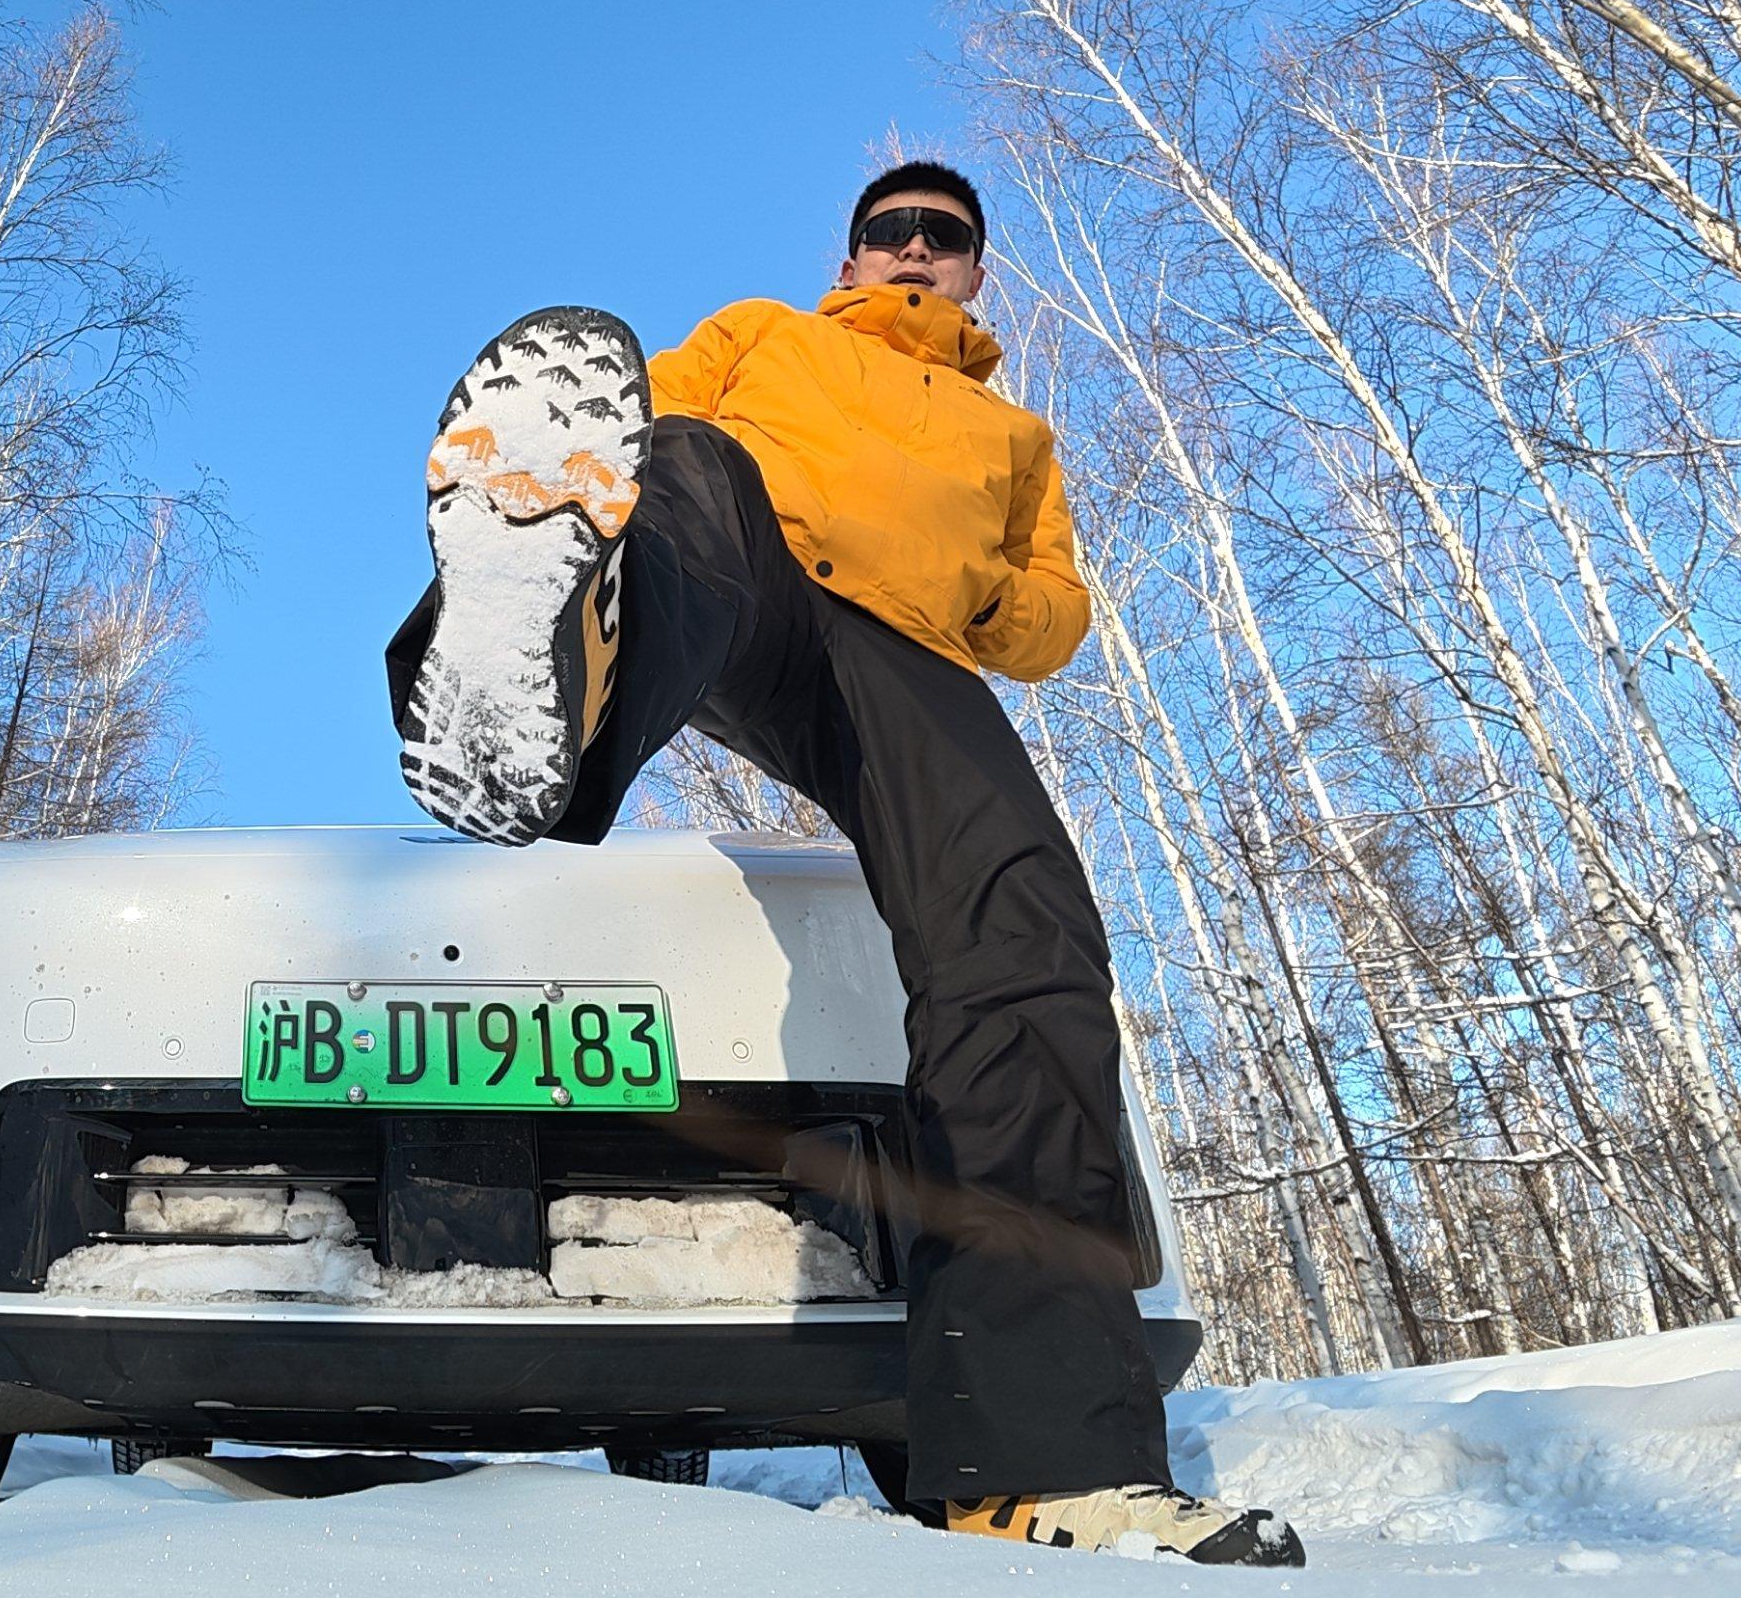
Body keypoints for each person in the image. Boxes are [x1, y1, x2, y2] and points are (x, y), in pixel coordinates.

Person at [386, 159, 1303, 1569]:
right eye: (893, 232)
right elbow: (639, 431)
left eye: (946, 237)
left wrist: (978, 581)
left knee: (1030, 937)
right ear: (855, 254)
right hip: (748, 571)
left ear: (977, 271)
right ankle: (535, 690)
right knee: (687, 474)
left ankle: (1045, 1464)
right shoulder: (771, 331)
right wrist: (596, 507)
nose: (917, 250)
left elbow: (1050, 620)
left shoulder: (1016, 439)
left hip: (906, 656)